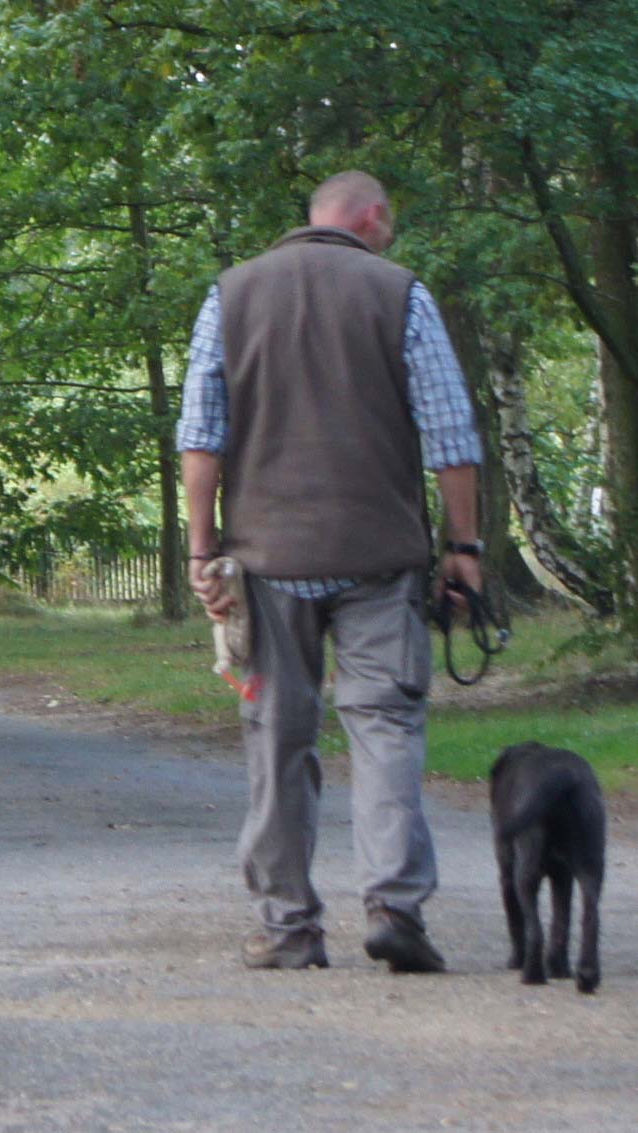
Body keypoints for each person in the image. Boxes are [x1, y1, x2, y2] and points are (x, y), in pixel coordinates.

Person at [177, 171, 483, 973]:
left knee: (276, 737)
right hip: (376, 555)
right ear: (372, 218)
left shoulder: (231, 295)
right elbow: (450, 432)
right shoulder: (399, 293)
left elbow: (201, 436)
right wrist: (464, 548)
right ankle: (393, 905)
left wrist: (201, 551)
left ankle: (286, 926)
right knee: (384, 726)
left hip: (266, 559)